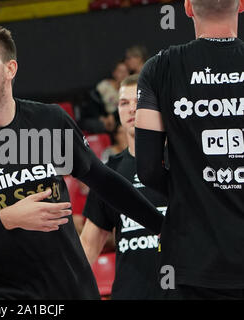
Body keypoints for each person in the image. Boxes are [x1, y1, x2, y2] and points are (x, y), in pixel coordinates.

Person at [0, 22, 164, 300]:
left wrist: (162, 226)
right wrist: (6, 218)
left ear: (10, 69)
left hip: (70, 288)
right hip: (0, 295)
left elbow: (104, 182)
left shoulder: (48, 121)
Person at [135, 0, 244, 299]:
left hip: (191, 262)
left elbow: (147, 169)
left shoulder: (159, 68)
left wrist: (193, 189)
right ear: (242, 5)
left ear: (187, 8)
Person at [80, 75, 167, 300]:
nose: (130, 110)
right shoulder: (109, 173)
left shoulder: (182, 166)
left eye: (138, 101)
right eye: (124, 103)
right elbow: (89, 246)